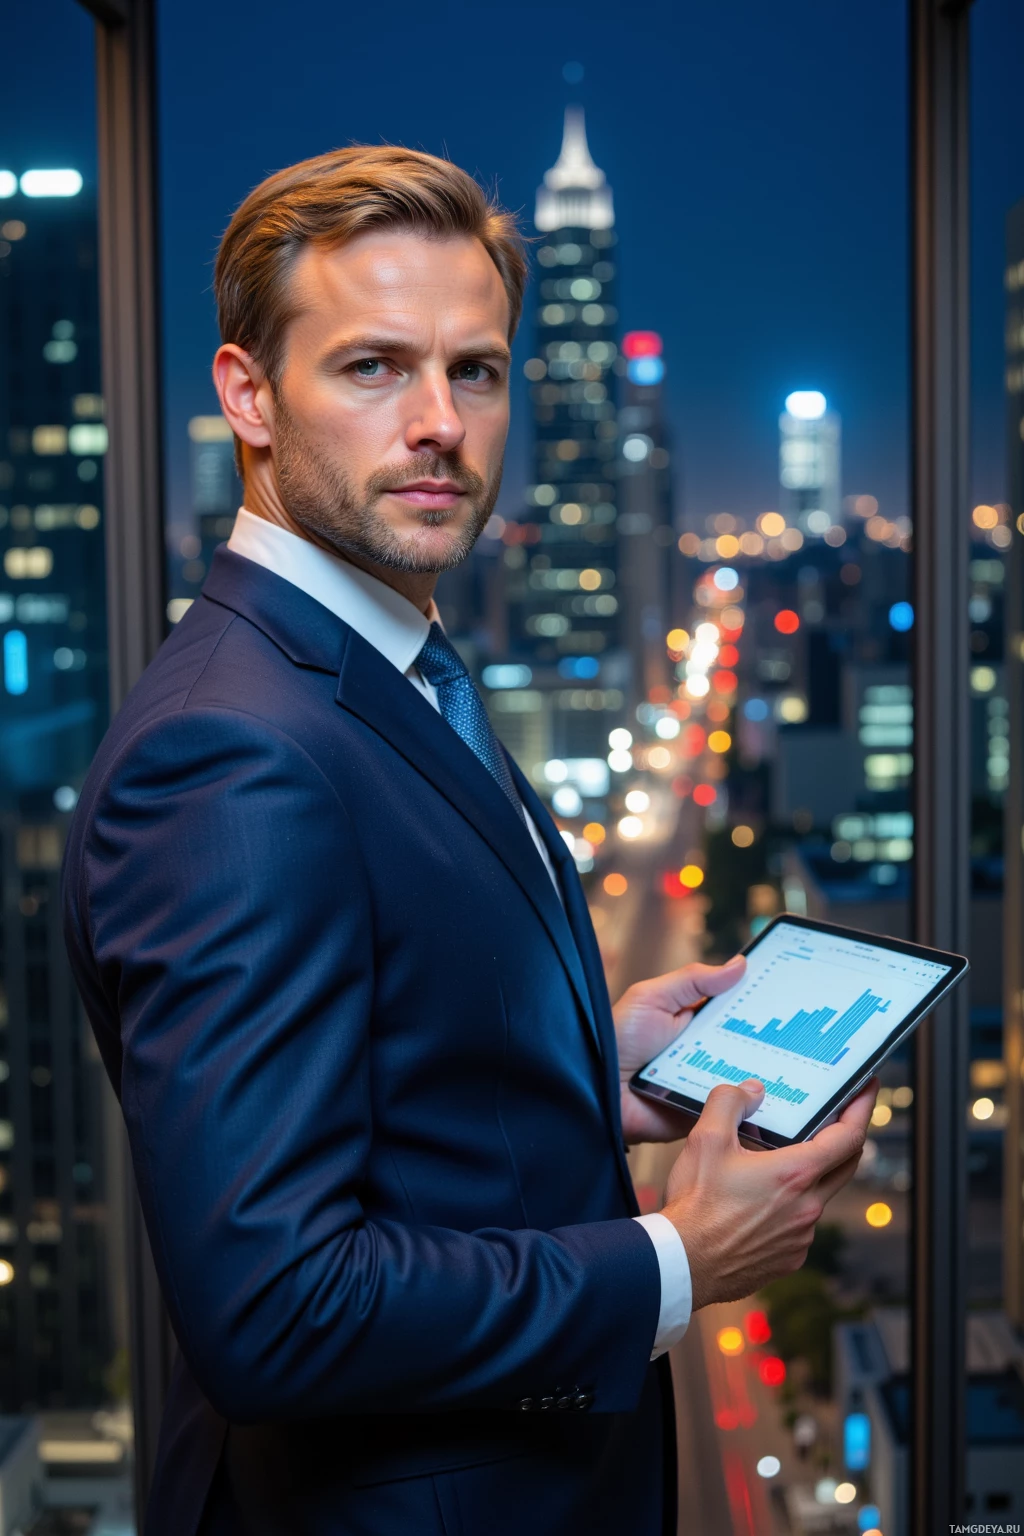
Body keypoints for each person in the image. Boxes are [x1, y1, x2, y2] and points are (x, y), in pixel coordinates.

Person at [61, 146, 875, 1536]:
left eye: (476, 371)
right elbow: (276, 1309)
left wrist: (580, 1061)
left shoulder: (384, 663)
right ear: (247, 395)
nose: (440, 422)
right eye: (374, 367)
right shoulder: (232, 754)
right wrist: (677, 1259)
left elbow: (383, 1051)